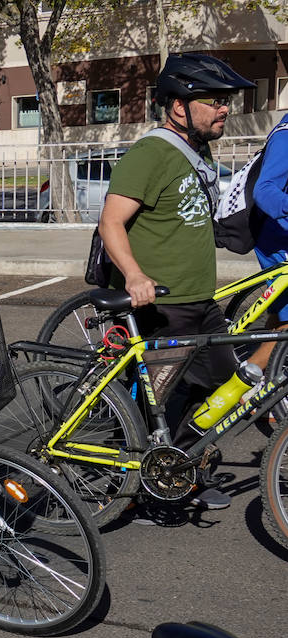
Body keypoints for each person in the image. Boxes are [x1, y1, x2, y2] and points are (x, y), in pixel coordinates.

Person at [99, 51, 254, 515]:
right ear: (179, 106)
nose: (224, 108)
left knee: (224, 391)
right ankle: (130, 483)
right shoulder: (150, 154)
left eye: (226, 100)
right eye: (213, 100)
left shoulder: (197, 151)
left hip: (199, 301)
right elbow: (111, 224)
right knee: (154, 406)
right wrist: (134, 274)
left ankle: (179, 470)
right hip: (161, 304)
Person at [247, 110, 288, 388]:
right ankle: (247, 380)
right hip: (277, 234)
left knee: (281, 314)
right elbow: (264, 190)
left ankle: (266, 379)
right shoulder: (286, 135)